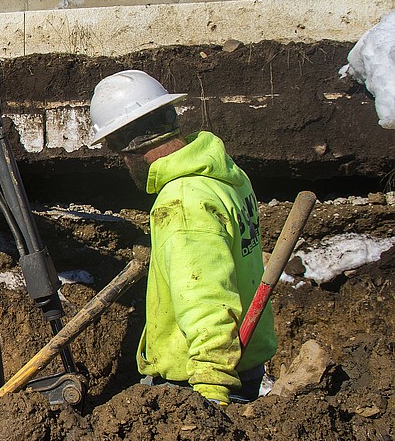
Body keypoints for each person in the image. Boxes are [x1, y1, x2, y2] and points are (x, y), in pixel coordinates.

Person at [88, 69, 277, 406]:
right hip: (245, 364)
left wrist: (211, 389)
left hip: (198, 383)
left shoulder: (183, 200)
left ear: (127, 146)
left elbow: (206, 298)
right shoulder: (224, 175)